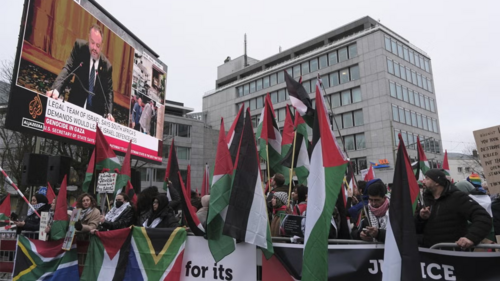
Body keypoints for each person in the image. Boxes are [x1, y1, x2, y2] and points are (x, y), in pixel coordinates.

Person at [46, 24, 114, 121]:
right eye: (92, 43)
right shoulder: (80, 48)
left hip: (95, 112)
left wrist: (109, 113)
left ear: (102, 46)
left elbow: (109, 92)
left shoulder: (107, 66)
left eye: (98, 45)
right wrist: (56, 89)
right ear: (88, 39)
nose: (94, 48)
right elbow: (68, 69)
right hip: (76, 103)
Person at [415, 169, 492, 249]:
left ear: (437, 182)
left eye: (427, 178)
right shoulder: (427, 199)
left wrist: (471, 237)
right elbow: (415, 228)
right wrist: (421, 217)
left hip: (452, 254)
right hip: (430, 254)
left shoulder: (458, 197)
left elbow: (483, 218)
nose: (423, 181)